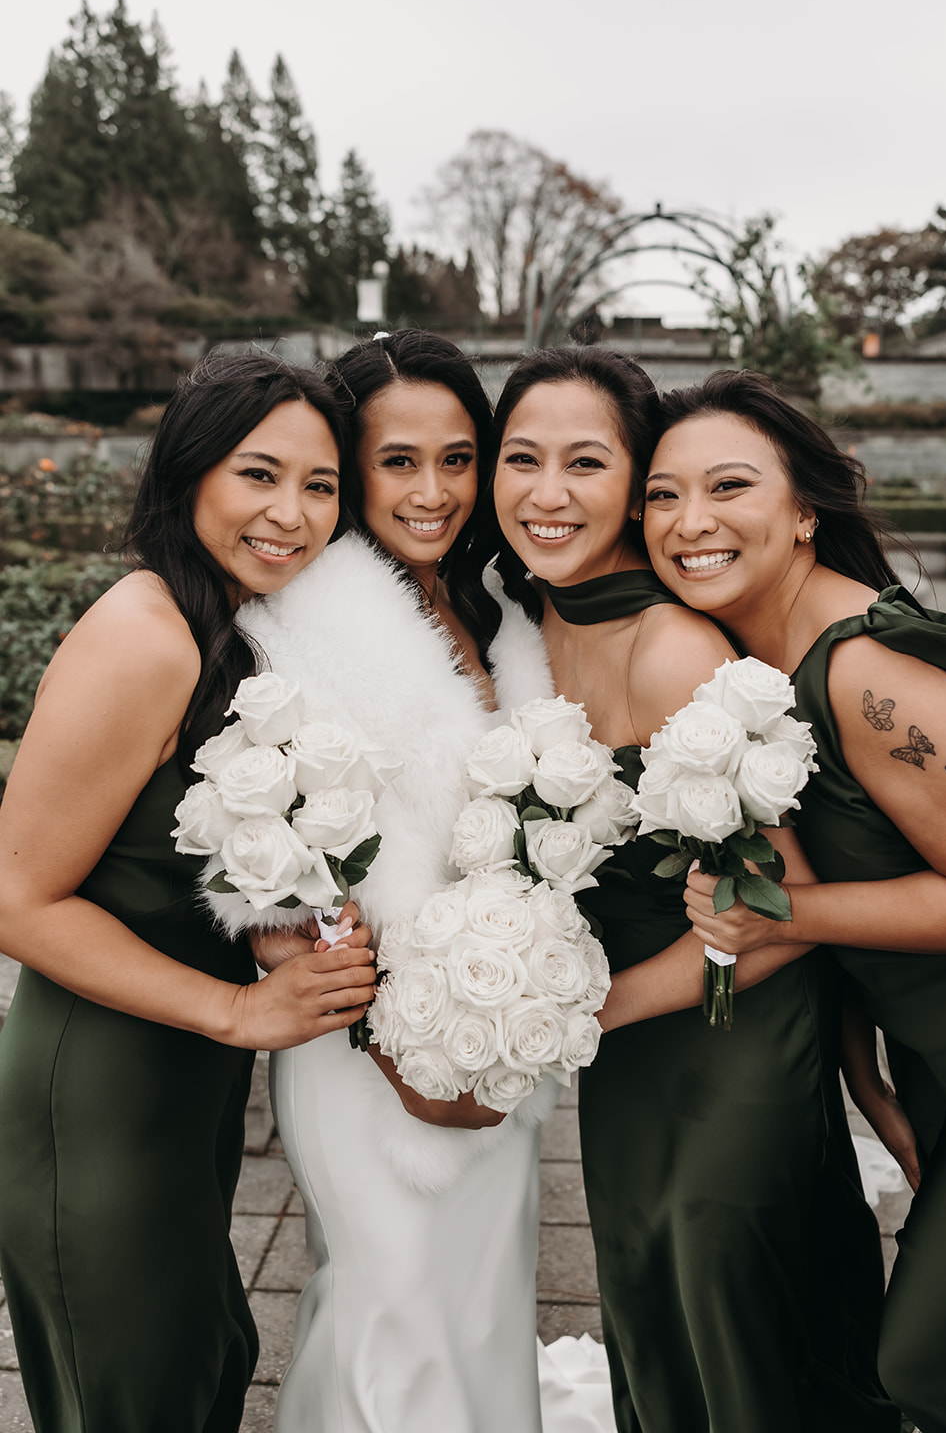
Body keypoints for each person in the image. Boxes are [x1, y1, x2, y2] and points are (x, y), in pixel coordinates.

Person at [646, 368, 946, 1433]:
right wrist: (866, 1081)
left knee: (939, 1359)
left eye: (727, 486)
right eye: (660, 493)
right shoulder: (749, 662)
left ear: (802, 512)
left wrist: (780, 915)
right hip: (944, 1061)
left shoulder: (865, 668)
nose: (687, 520)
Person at [492, 345, 898, 1433]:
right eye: (519, 458)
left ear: (632, 485)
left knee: (729, 1293)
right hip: (629, 1052)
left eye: (585, 462)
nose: (547, 491)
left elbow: (780, 911)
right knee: (643, 1279)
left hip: (732, 1038)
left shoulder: (673, 651)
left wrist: (575, 1011)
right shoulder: (526, 626)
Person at [0, 351, 378, 1433]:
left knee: (204, 1355)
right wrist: (235, 1009)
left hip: (180, 1097)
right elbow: (16, 900)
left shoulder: (230, 626)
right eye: (259, 475)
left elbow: (171, 856)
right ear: (189, 470)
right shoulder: (145, 634)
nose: (292, 514)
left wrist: (271, 934)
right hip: (99, 1093)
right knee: (138, 1389)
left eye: (320, 486)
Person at [240, 330, 575, 1433]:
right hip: (367, 1045)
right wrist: (401, 1052)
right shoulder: (298, 623)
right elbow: (273, 865)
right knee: (395, 1315)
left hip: (495, 1027)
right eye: (395, 460)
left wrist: (510, 1011)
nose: (432, 491)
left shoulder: (493, 603)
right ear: (349, 463)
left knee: (476, 1311)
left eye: (457, 457)